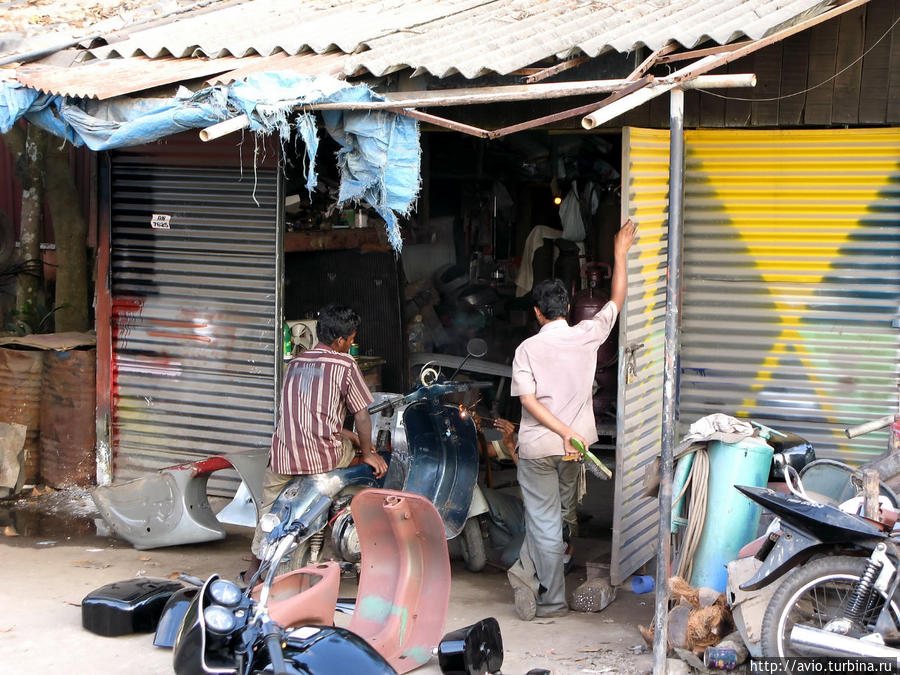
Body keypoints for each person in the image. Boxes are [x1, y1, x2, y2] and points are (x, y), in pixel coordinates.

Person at [507, 218, 636, 620]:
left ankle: (548, 599)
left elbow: (528, 401)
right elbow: (616, 299)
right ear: (566, 308)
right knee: (557, 515)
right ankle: (530, 576)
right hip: (575, 450)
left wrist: (560, 431)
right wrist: (620, 252)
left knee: (543, 521)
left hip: (541, 448)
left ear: (537, 312)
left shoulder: (527, 349)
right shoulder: (588, 334)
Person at [244, 304, 388, 580]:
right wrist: (367, 451)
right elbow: (362, 415)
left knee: (267, 507)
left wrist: (352, 437)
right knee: (368, 469)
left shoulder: (294, 363)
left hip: (283, 455)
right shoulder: (346, 364)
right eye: (351, 338)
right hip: (323, 456)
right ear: (340, 341)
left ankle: (254, 567)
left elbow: (307, 417)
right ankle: (346, 524)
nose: (352, 343)